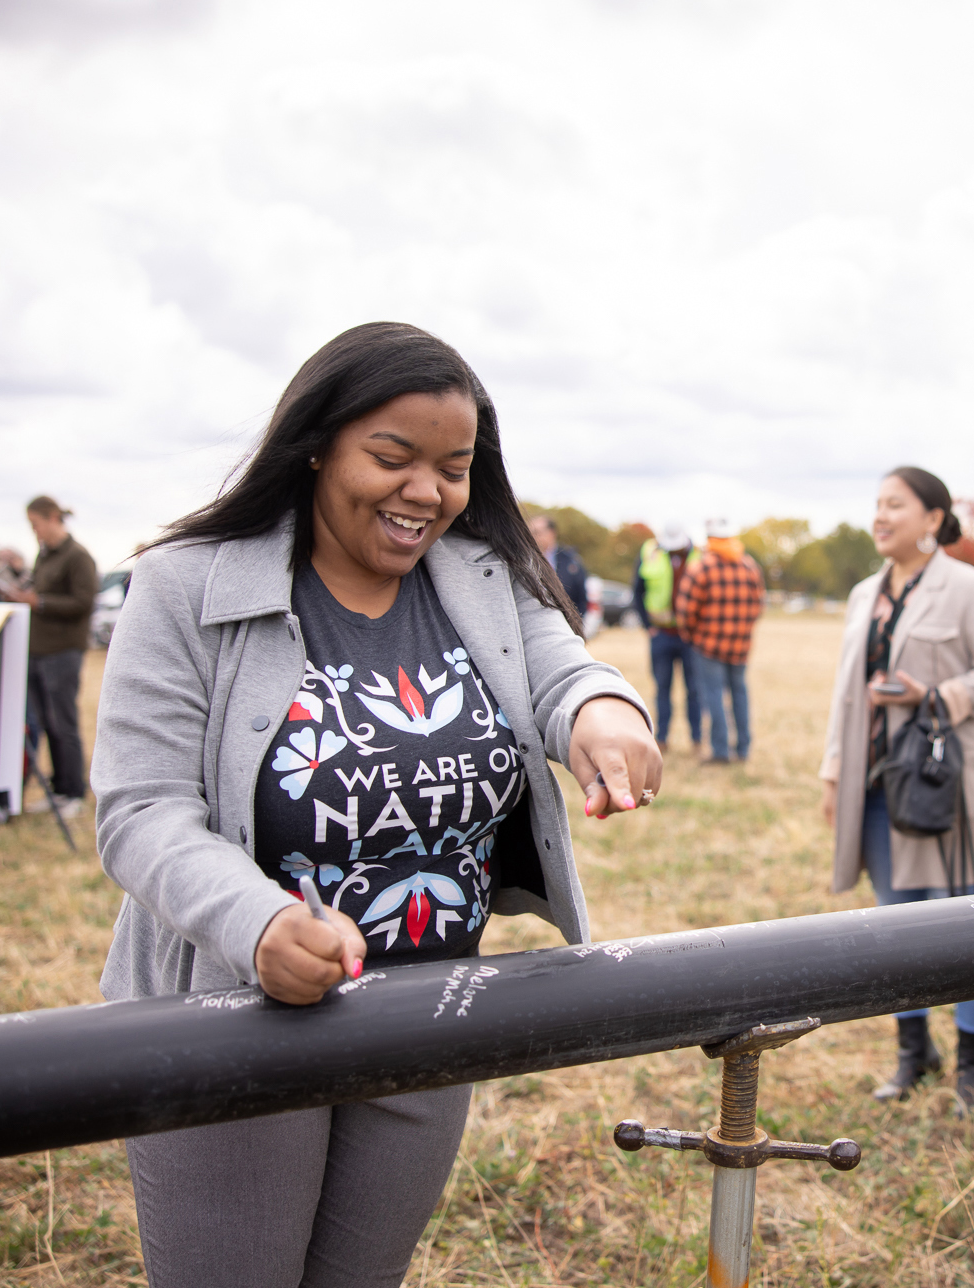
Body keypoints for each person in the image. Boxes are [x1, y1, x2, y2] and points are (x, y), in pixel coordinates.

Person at [92, 322, 660, 1288]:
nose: (427, 493)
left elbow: (563, 669)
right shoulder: (184, 584)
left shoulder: (480, 572)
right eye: (391, 458)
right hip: (233, 1019)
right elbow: (141, 811)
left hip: (430, 1014)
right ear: (314, 446)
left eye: (453, 467)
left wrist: (603, 711)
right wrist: (258, 921)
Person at [819, 468, 974, 1108]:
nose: (880, 516)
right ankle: (915, 1054)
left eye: (895, 506)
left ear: (933, 518)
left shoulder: (968, 588)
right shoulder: (862, 593)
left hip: (945, 784)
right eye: (876, 505)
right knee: (895, 927)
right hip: (877, 786)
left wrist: (934, 696)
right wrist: (832, 772)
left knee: (967, 927)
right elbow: (845, 691)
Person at [2, 497, 97, 820]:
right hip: (37, 651)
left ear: (52, 518)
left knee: (64, 723)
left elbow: (83, 602)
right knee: (44, 723)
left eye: (36, 524)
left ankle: (73, 792)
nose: (34, 532)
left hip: (63, 652)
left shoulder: (78, 556)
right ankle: (57, 789)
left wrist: (39, 603)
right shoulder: (44, 557)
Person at [676, 517, 765, 763]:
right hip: (741, 646)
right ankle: (743, 748)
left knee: (713, 696)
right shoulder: (749, 566)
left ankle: (720, 751)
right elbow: (759, 606)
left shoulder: (701, 567)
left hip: (709, 646)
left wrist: (693, 636)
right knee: (739, 694)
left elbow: (685, 611)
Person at [633, 521, 703, 751]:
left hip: (690, 636)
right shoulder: (649, 552)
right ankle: (661, 738)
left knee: (694, 689)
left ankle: (696, 738)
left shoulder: (699, 556)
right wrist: (647, 625)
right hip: (661, 633)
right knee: (662, 688)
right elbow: (638, 590)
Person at [528, 514, 590, 618]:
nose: (532, 537)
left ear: (551, 533)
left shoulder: (571, 560)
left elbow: (581, 598)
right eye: (530, 533)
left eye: (536, 532)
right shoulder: (524, 561)